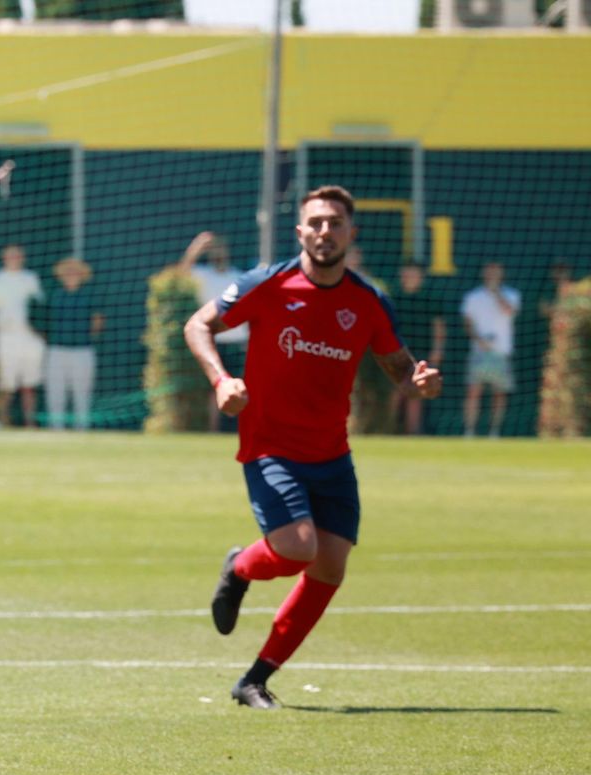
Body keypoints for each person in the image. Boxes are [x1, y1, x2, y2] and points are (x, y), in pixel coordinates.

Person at [185, 185, 441, 709]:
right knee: (299, 548)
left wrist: (421, 384)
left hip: (332, 455)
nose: (325, 231)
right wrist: (220, 381)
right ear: (300, 231)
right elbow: (198, 324)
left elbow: (399, 369)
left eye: (335, 223)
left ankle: (253, 680)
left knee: (329, 570)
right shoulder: (269, 282)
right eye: (316, 222)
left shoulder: (367, 301)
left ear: (352, 233)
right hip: (270, 446)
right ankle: (239, 568)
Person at [180, 231, 250, 432]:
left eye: (221, 249)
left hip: (239, 341)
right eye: (214, 250)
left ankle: (243, 429)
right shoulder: (203, 274)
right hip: (211, 341)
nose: (219, 254)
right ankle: (214, 430)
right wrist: (196, 248)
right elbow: (182, 271)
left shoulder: (238, 276)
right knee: (216, 389)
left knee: (243, 388)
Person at [39, 256, 104, 430]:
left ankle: (81, 430)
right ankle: (55, 429)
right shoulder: (54, 295)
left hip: (83, 351)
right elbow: (44, 322)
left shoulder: (89, 295)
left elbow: (97, 322)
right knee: (55, 393)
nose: (71, 274)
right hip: (56, 351)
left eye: (74, 271)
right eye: (67, 271)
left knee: (82, 394)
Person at [0, 244, 44, 428]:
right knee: (5, 386)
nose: (14, 259)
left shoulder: (31, 279)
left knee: (29, 385)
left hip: (29, 339)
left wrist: (40, 334)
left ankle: (30, 423)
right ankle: (3, 422)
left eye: (18, 256)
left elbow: (39, 310)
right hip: (5, 339)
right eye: (11, 256)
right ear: (4, 258)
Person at [461, 262, 521, 438]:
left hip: (502, 352)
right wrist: (480, 341)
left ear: (502, 273)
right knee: (473, 391)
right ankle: (469, 431)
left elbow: (509, 311)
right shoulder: (473, 297)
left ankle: (494, 432)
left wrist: (496, 293)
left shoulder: (512, 294)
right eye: (489, 270)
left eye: (496, 271)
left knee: (499, 394)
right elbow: (468, 323)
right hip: (478, 352)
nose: (492, 274)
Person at [389, 261, 446, 435]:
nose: (409, 278)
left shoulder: (430, 298)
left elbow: (439, 326)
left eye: (413, 274)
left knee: (416, 395)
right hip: (396, 354)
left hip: (420, 354)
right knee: (394, 394)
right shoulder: (393, 298)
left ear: (421, 277)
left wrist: (437, 350)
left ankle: (412, 434)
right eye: (406, 274)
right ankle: (386, 431)